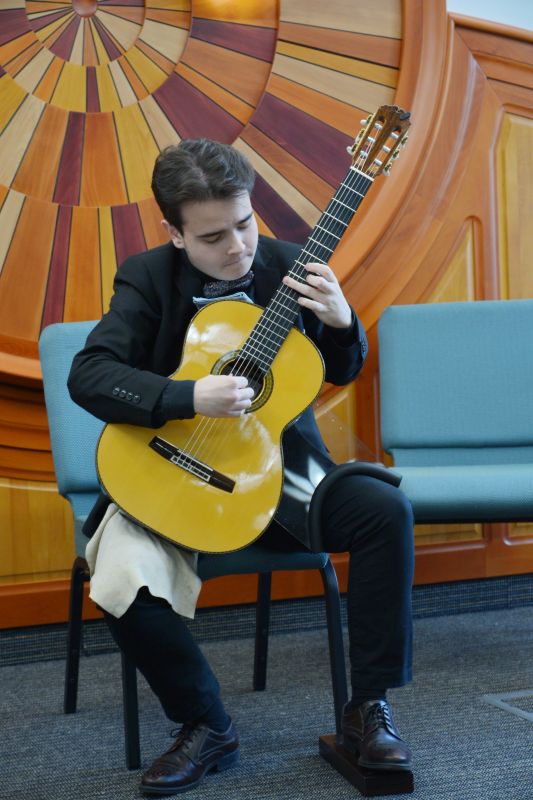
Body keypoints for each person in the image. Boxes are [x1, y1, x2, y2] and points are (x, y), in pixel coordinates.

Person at [68, 138, 414, 795]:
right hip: (174, 468)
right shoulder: (147, 278)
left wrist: (343, 322)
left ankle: (366, 708)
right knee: (116, 573)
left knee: (384, 509)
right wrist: (186, 395)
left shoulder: (289, 265)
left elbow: (340, 368)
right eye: (213, 236)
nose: (238, 247)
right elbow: (89, 375)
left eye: (245, 224)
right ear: (174, 233)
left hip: (281, 475)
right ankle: (206, 724)